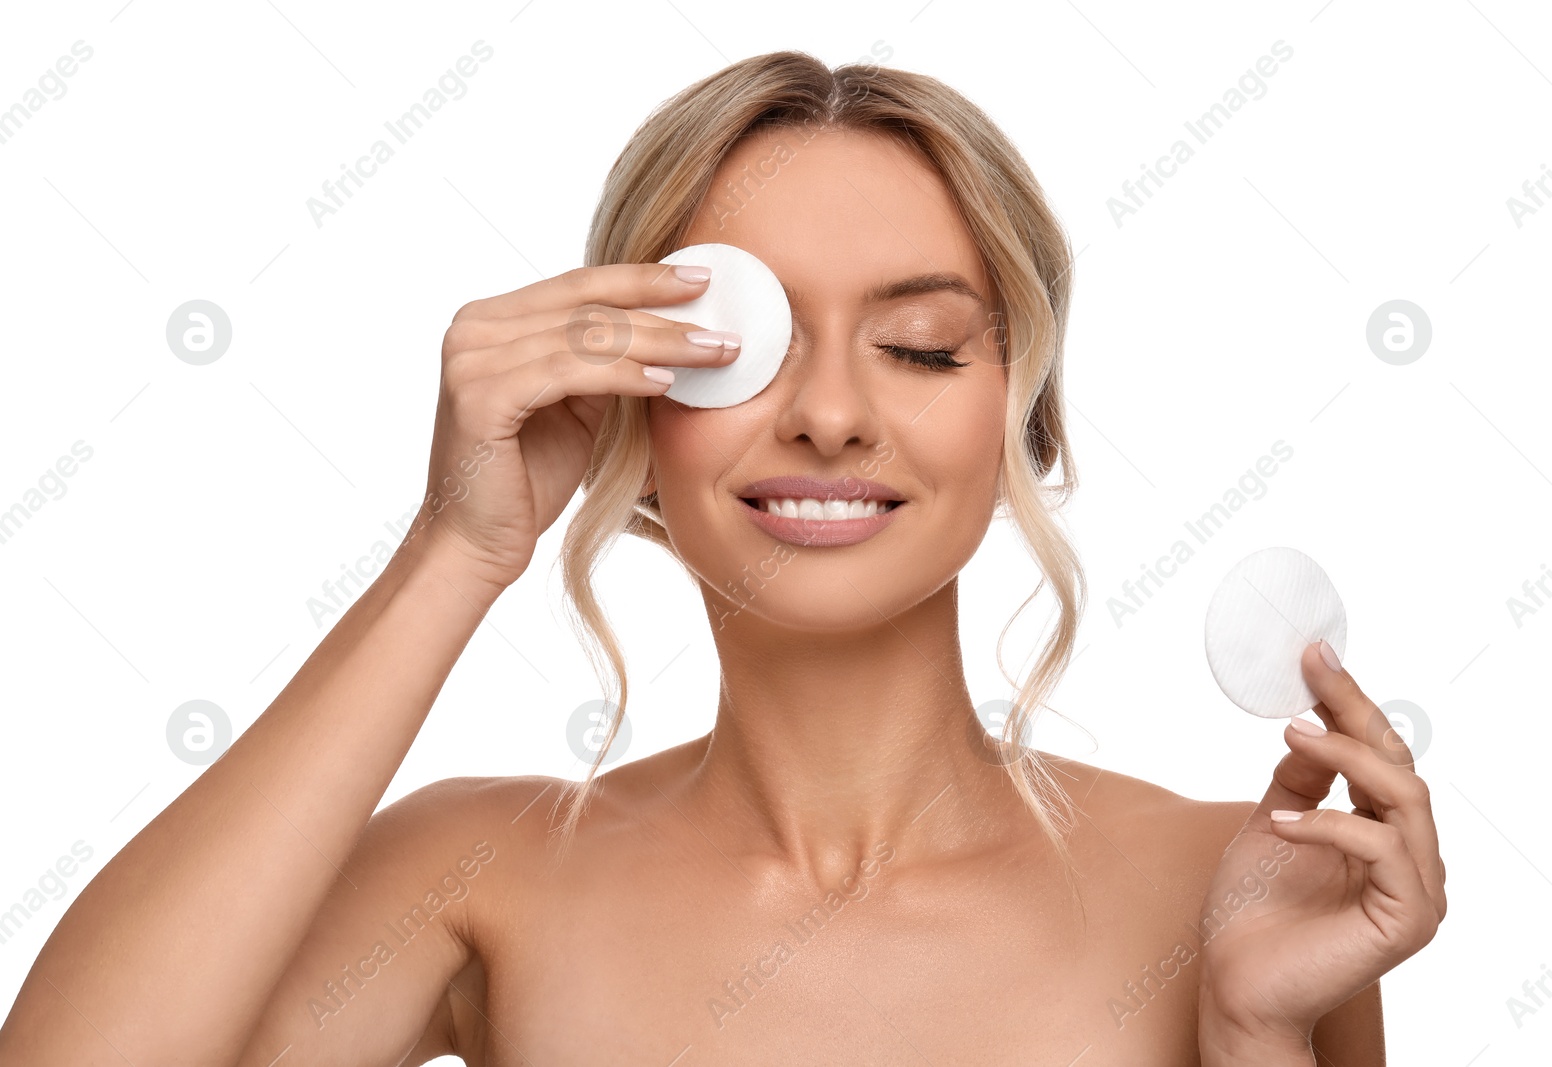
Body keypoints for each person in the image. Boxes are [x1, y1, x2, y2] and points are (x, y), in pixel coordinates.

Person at [0, 51, 1444, 1065]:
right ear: (630, 400)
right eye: (744, 350)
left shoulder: (1235, 885)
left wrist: (1255, 1036)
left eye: (919, 345)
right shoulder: (482, 875)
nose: (826, 413)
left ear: (1021, 417)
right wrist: (455, 548)